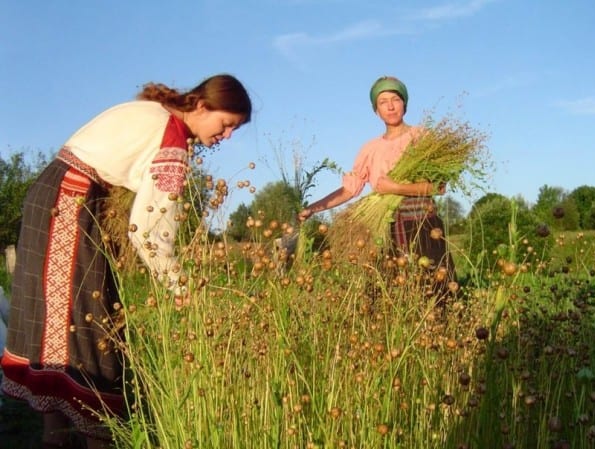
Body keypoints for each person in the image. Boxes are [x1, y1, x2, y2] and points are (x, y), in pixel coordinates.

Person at [0, 74, 252, 448]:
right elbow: (149, 234)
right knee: (87, 328)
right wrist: (182, 288)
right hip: (72, 203)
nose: (227, 136)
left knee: (60, 323)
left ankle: (55, 436)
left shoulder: (153, 111)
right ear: (201, 106)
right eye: (226, 124)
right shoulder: (173, 139)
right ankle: (96, 436)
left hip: (55, 193)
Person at [298, 76, 455, 289]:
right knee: (391, 290)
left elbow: (439, 187)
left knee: (435, 287)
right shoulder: (370, 149)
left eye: (395, 99)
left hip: (423, 223)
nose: (390, 106)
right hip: (385, 227)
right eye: (383, 102)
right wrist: (314, 208)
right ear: (376, 111)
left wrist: (396, 188)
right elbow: (349, 189)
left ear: (405, 104)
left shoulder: (422, 138)